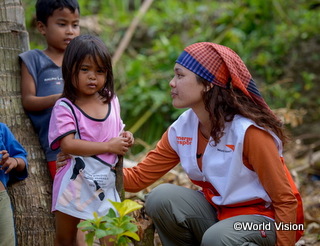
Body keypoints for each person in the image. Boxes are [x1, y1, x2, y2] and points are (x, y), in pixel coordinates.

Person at [122, 42, 304, 246]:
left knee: (218, 237)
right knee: (161, 198)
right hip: (220, 213)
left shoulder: (248, 133)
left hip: (263, 221)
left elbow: (285, 200)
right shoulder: (183, 128)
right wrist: (90, 161)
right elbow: (137, 179)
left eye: (180, 76)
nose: (172, 83)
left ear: (208, 84)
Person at [48, 34, 134, 246]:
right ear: (70, 70)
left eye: (100, 71)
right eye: (84, 69)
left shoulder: (111, 100)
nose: (92, 77)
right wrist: (108, 146)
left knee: (111, 236)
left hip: (105, 182)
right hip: (73, 184)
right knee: (65, 239)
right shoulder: (65, 106)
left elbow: (117, 129)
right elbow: (67, 144)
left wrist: (126, 137)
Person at [19, 0, 81, 180]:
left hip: (88, 143)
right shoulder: (33, 59)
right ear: (42, 27)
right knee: (67, 195)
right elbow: (28, 101)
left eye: (75, 25)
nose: (70, 30)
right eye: (62, 24)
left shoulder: (81, 62)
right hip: (57, 150)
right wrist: (61, 98)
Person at [0, 123, 28, 246]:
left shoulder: (1, 129)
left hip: (0, 198)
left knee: (6, 242)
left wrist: (14, 161)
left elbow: (21, 157)